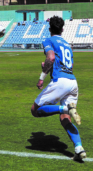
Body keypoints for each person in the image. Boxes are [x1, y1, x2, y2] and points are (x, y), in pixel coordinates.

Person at [30, 16, 86, 161]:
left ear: (49, 29)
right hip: (72, 82)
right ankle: (79, 148)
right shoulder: (68, 45)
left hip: (60, 81)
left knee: (35, 110)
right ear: (62, 29)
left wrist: (42, 77)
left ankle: (65, 108)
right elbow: (71, 66)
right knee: (66, 120)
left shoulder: (48, 40)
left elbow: (51, 57)